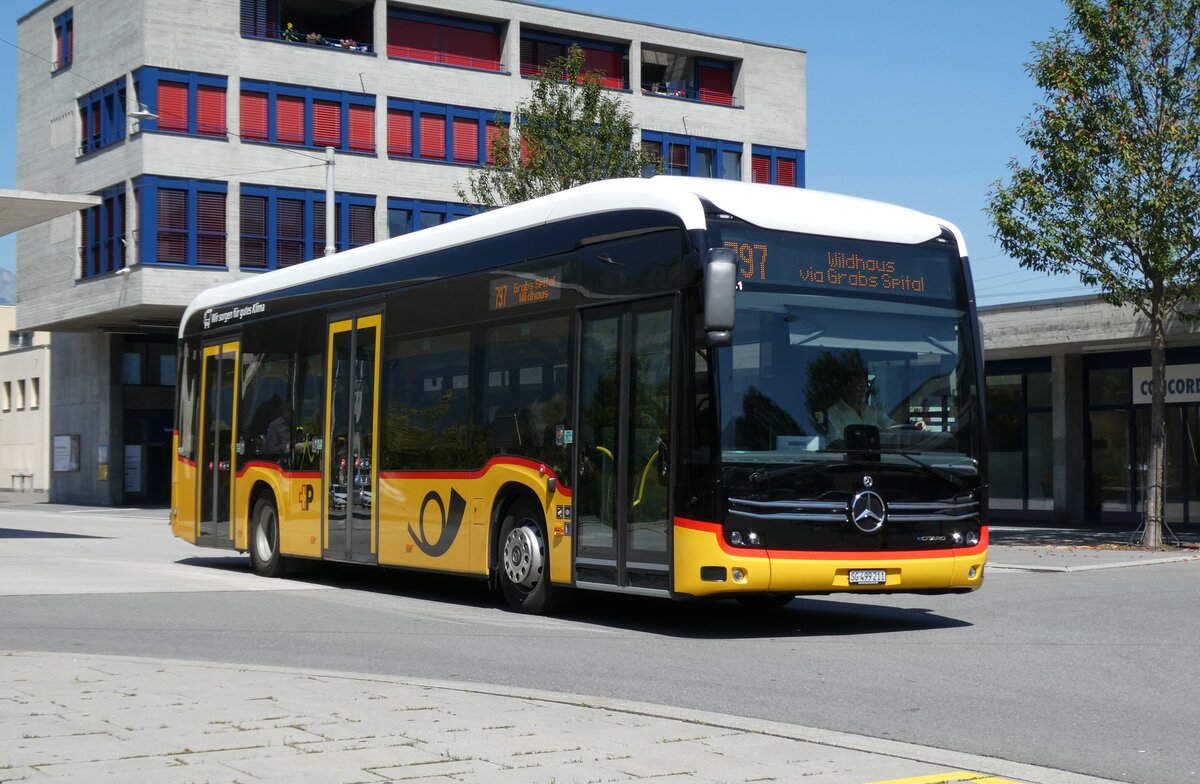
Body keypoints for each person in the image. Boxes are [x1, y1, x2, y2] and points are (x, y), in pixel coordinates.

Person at [826, 374, 925, 439]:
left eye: (865, 388)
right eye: (858, 388)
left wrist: (913, 428)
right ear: (846, 389)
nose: (863, 392)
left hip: (877, 458)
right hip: (849, 462)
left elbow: (892, 427)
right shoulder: (834, 412)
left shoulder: (873, 411)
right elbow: (836, 443)